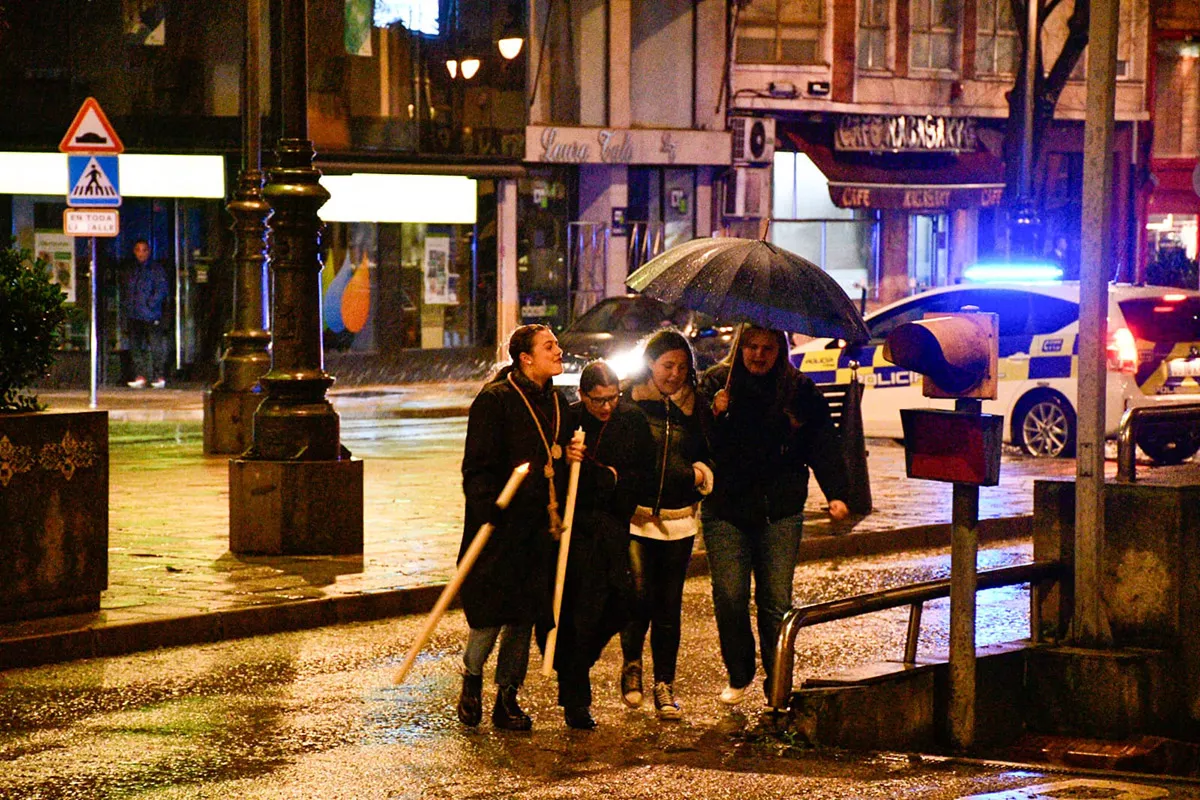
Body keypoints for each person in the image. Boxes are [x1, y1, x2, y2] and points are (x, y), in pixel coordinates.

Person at [699, 326, 851, 705]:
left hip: (778, 509)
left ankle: (777, 682)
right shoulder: (718, 383)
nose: (758, 355)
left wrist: (838, 493)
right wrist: (713, 413)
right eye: (751, 347)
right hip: (726, 509)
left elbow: (824, 443)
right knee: (730, 596)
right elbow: (697, 439)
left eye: (767, 348)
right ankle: (739, 671)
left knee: (776, 603)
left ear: (779, 351)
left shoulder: (798, 390)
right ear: (740, 347)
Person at [457, 324, 585, 731]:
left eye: (557, 344)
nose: (558, 350)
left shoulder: (559, 403)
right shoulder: (495, 401)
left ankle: (507, 696)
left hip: (538, 529)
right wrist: (488, 510)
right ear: (525, 358)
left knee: (523, 617)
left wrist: (569, 454)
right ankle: (472, 679)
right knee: (490, 616)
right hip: (499, 528)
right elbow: (476, 468)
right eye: (550, 346)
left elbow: (558, 454)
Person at [552, 361, 654, 730]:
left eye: (613, 398)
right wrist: (585, 468)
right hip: (576, 531)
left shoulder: (632, 422)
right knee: (577, 616)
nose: (607, 407)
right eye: (598, 401)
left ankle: (577, 663)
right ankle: (575, 699)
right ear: (583, 396)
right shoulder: (570, 421)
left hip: (614, 527)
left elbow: (636, 477)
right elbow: (564, 478)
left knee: (626, 601)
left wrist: (610, 481)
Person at [619, 330, 713, 721]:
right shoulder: (631, 402)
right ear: (650, 365)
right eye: (666, 366)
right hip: (637, 517)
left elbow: (712, 452)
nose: (674, 374)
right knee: (639, 595)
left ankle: (665, 684)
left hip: (679, 520)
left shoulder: (698, 408)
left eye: (681, 367)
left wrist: (698, 475)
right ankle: (632, 666)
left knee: (668, 605)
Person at [121, 239, 169, 389]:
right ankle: (140, 375)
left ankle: (158, 376)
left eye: (144, 250)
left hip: (151, 314)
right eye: (138, 250)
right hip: (135, 313)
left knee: (155, 346)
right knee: (135, 346)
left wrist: (150, 304)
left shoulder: (156, 269)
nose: (141, 253)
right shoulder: (132, 270)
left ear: (148, 252)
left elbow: (161, 290)